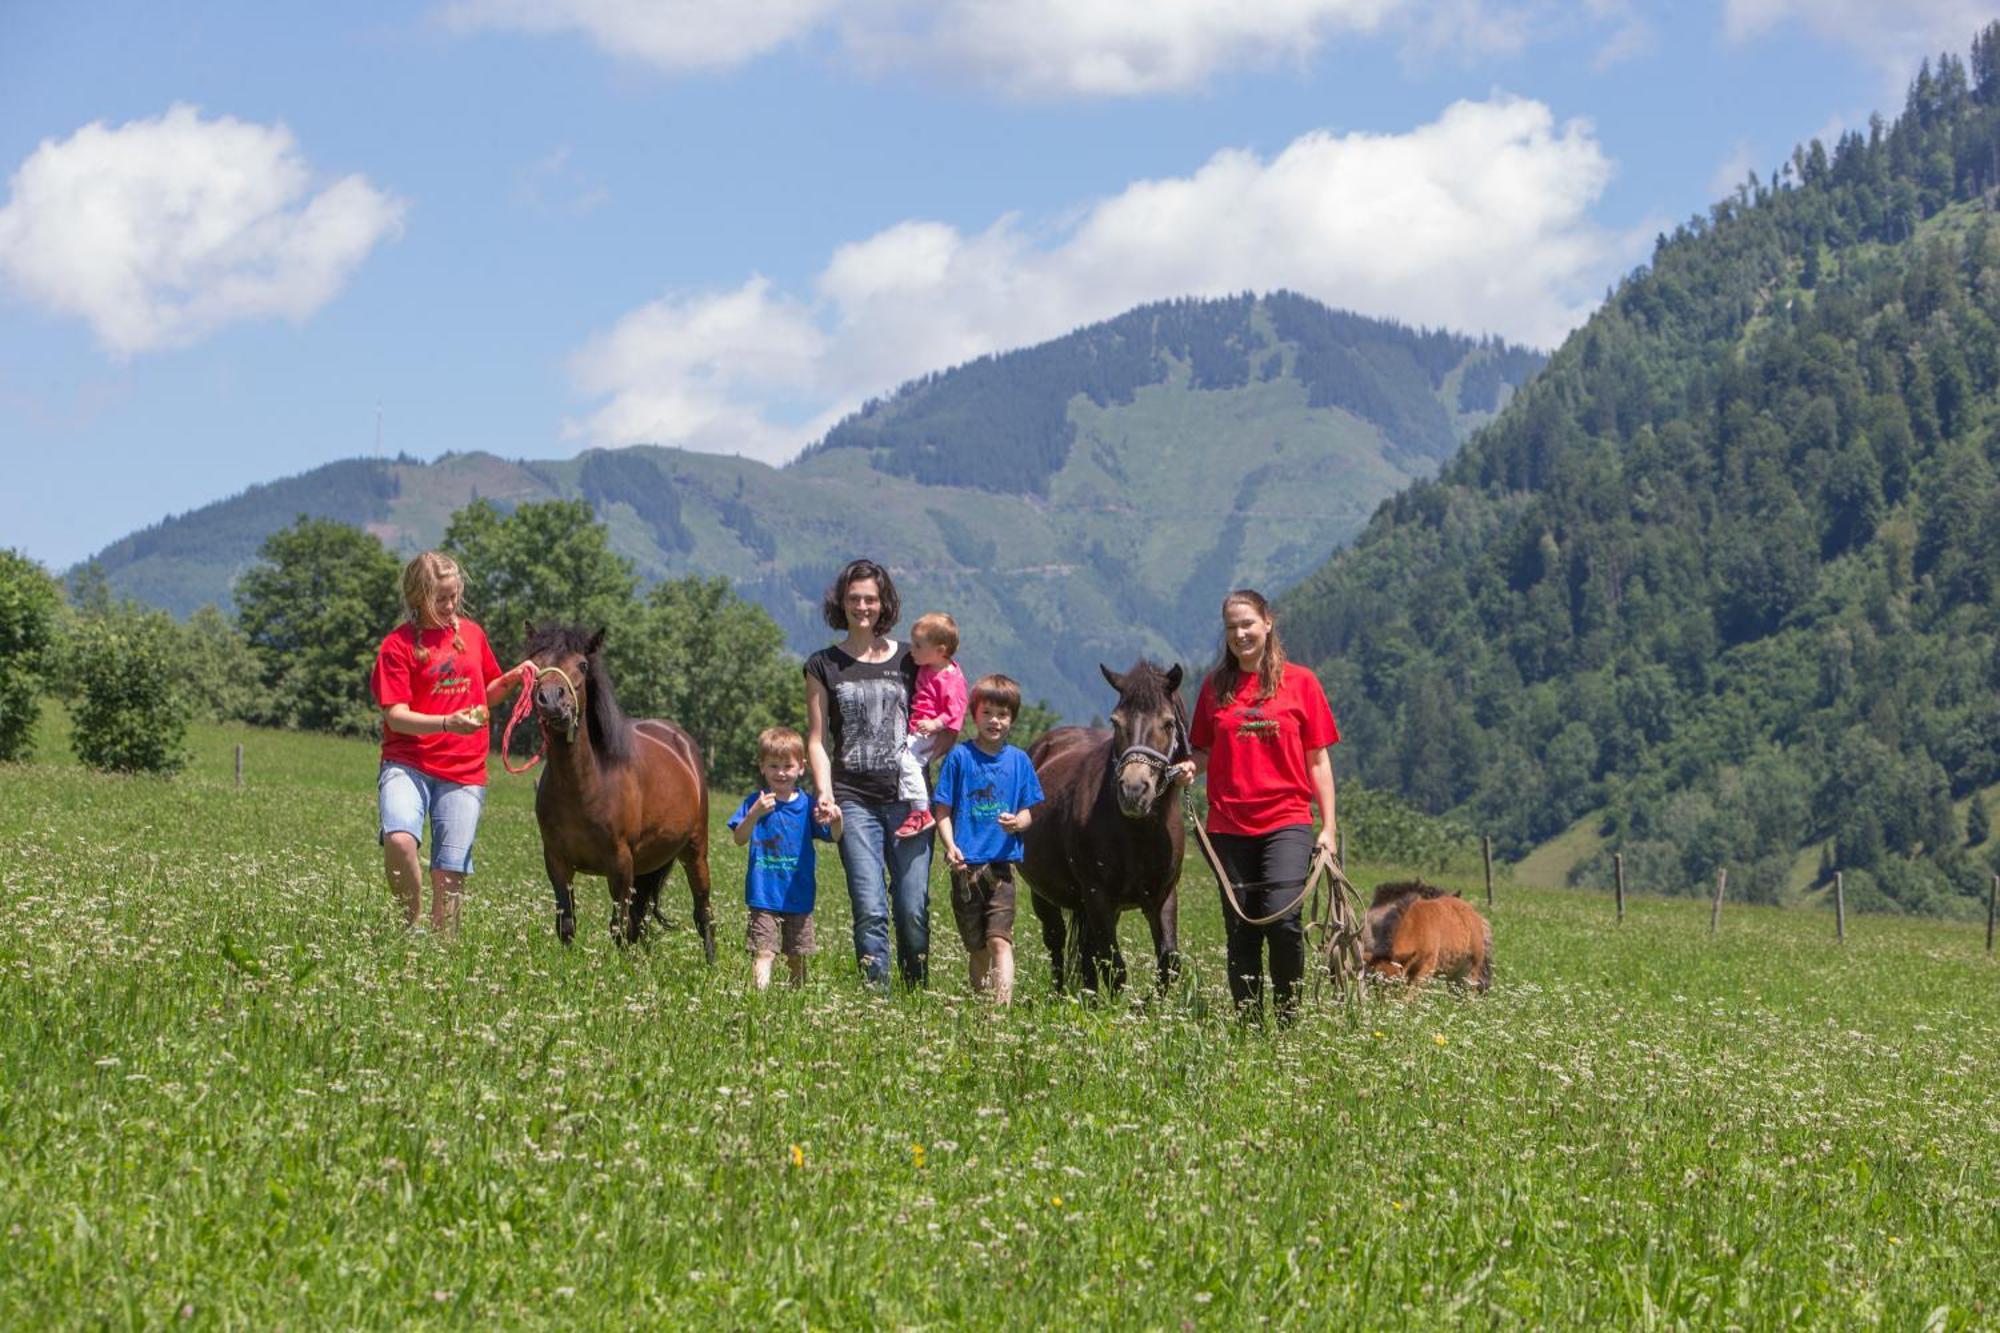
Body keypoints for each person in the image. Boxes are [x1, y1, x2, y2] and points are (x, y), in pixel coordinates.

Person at [1179, 589, 1339, 1022]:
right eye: (1231, 627)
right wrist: (1190, 768)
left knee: (1283, 920)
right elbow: (1204, 751)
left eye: (1247, 624)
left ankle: (1287, 1019)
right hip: (1228, 826)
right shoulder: (1214, 688)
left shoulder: (1302, 682)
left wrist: (1328, 828)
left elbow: (1318, 760)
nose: (1240, 634)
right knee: (1241, 930)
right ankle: (1249, 1024)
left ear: (1268, 622)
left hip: (1287, 820)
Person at [369, 550, 528, 933]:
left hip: (464, 770)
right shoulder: (398, 645)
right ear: (418, 598)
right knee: (400, 840)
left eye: (454, 595)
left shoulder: (472, 635)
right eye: (441, 598)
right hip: (408, 762)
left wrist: (513, 678)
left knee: (450, 871)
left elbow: (486, 691)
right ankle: (409, 928)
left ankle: (443, 955)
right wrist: (446, 723)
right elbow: (395, 715)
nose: (450, 604)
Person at [804, 559, 935, 988]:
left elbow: (945, 711)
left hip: (908, 802)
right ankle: (875, 999)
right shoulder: (823, 664)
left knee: (912, 907)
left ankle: (916, 992)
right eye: (854, 598)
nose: (863, 606)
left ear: (884, 604)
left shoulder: (911, 660)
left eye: (871, 599)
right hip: (853, 800)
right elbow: (817, 738)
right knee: (870, 907)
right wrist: (824, 792)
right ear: (841, 603)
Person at [932, 674, 1043, 1005]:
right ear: (973, 714)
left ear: (1012, 718)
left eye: (1003, 714)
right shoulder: (960, 758)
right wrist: (950, 846)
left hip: (1001, 869)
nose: (995, 721)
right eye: (987, 712)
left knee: (1000, 941)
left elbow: (1029, 811)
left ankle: (1001, 1010)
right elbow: (943, 810)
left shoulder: (1019, 761)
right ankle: (981, 1006)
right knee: (976, 946)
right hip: (965, 870)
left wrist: (1018, 823)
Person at [730, 726, 841, 990]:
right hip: (763, 895)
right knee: (764, 952)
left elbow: (834, 836)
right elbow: (739, 838)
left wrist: (838, 819)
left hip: (798, 895)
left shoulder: (808, 804)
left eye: (787, 766)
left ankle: (797, 1000)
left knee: (797, 956)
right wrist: (755, 813)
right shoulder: (755, 802)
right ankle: (759, 1000)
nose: (781, 772)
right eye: (773, 766)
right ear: (762, 767)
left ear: (801, 767)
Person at [893, 611, 969, 839]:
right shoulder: (928, 667)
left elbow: (955, 710)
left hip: (930, 730)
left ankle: (921, 812)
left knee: (909, 763)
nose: (911, 650)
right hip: (920, 726)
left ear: (940, 651)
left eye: (918, 646)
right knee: (905, 760)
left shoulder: (950, 678)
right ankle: (915, 807)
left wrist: (935, 724)